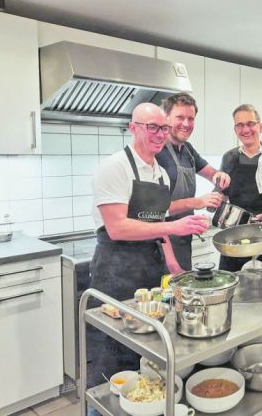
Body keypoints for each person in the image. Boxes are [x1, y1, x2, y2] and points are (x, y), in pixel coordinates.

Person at [88, 103, 210, 389]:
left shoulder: (160, 173)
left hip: (149, 270)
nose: (159, 133)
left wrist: (174, 265)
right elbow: (117, 228)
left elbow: (158, 223)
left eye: (163, 128)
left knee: (146, 347)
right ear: (133, 128)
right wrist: (172, 226)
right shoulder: (115, 167)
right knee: (113, 350)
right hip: (116, 269)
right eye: (151, 127)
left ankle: (142, 401)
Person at [156, 92, 231, 270]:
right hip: (160, 243)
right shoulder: (157, 152)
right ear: (166, 117)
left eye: (191, 118)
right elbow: (155, 210)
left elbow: (211, 173)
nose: (186, 124)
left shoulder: (188, 150)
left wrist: (220, 176)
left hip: (183, 238)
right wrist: (198, 202)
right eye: (180, 117)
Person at [218, 104, 262, 271]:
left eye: (250, 123)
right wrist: (214, 202)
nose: (245, 129)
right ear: (235, 129)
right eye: (240, 125)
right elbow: (223, 195)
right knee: (231, 284)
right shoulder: (229, 157)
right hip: (234, 235)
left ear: (260, 126)